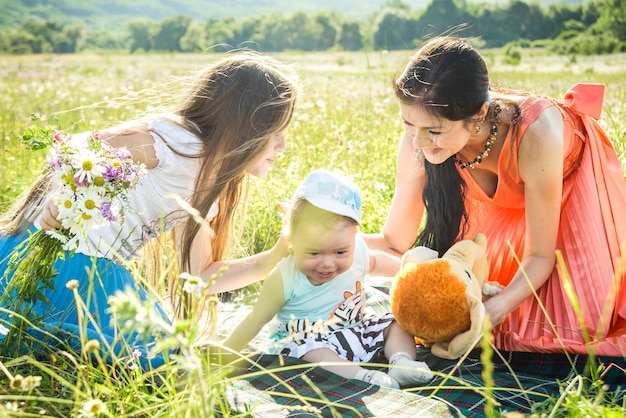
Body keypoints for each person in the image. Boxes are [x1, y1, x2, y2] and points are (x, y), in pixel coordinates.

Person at [0, 52, 299, 369]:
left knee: (170, 363)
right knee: (160, 362)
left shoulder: (211, 179)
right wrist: (59, 198)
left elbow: (201, 274)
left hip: (96, 273)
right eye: (275, 132)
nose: (282, 146)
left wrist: (277, 255)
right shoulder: (178, 144)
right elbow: (81, 147)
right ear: (243, 127)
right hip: (64, 262)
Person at [364, 36, 626, 357]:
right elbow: (394, 240)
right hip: (501, 209)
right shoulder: (421, 138)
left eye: (434, 131)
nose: (417, 141)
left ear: (479, 115)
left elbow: (540, 256)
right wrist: (318, 240)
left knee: (574, 327)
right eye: (408, 124)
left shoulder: (538, 134)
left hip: (569, 196)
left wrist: (497, 308)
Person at [222, 170, 434, 388]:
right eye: (313, 253)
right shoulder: (284, 277)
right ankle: (365, 377)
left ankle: (402, 363)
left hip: (355, 329)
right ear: (291, 241)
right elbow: (256, 318)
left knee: (396, 322)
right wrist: (226, 351)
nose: (327, 263)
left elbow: (376, 262)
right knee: (312, 352)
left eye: (340, 252)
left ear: (354, 238)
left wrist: (408, 268)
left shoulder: (358, 250)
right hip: (308, 340)